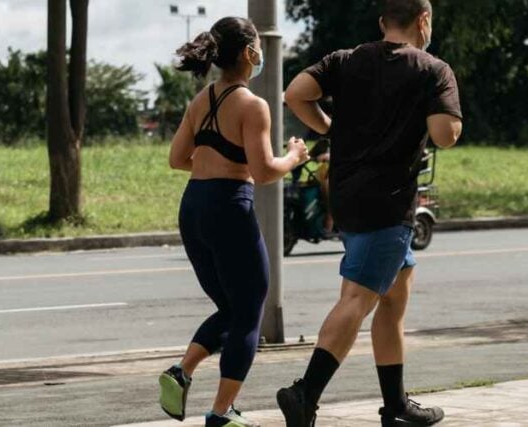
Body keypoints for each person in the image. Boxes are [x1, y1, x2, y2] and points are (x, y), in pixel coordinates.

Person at [276, 0, 462, 426]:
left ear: (383, 23)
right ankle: (305, 394)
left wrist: (328, 127)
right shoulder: (433, 69)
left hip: (346, 195)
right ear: (423, 20)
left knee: (395, 295)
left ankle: (395, 405)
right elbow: (444, 135)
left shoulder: (345, 59)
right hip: (389, 200)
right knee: (357, 299)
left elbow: (294, 94)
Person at [158, 16, 311, 427]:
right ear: (248, 53)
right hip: (229, 205)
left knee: (231, 306)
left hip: (193, 206)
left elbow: (176, 159)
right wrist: (294, 156)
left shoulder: (200, 99)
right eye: (259, 46)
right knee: (250, 310)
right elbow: (263, 172)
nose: (261, 54)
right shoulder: (252, 105)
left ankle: (181, 372)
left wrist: (213, 164)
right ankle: (221, 414)